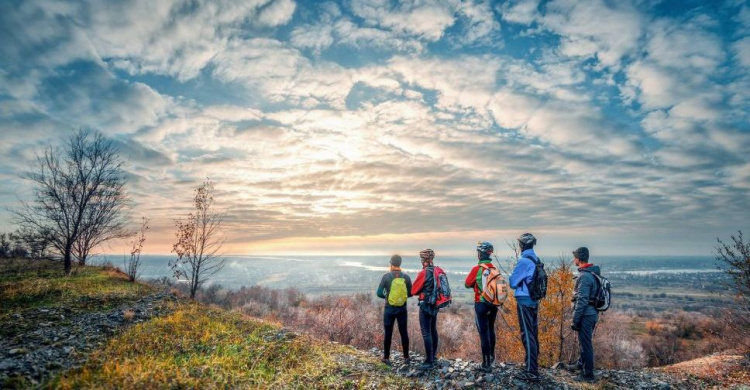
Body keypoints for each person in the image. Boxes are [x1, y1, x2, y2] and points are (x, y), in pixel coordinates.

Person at [509, 233, 541, 381]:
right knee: (533, 333)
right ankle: (532, 365)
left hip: (524, 300)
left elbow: (513, 282)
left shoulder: (524, 261)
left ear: (521, 245)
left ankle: (531, 370)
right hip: (534, 300)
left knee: (527, 335)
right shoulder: (536, 259)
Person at [465, 241, 498, 371]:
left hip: (481, 304)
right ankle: (492, 358)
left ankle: (485, 364)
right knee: (491, 330)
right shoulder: (494, 268)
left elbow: (467, 284)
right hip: (493, 304)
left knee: (483, 333)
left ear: (480, 254)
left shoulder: (477, 269)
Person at [376, 254, 413, 365]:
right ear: (400, 263)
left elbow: (378, 293)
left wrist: (388, 297)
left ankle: (386, 358)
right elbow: (410, 293)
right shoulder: (406, 277)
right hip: (402, 309)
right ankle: (406, 357)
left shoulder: (386, 277)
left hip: (389, 309)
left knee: (388, 333)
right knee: (404, 333)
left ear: (391, 263)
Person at [571, 247, 600, 383]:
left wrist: (575, 319)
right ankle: (580, 365)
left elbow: (582, 300)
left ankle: (588, 375)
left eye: (575, 257)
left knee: (586, 344)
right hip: (592, 313)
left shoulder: (585, 277)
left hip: (586, 315)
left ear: (579, 259)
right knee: (584, 342)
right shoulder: (591, 273)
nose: (573, 259)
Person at [411, 248, 439, 370]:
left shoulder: (424, 272)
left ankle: (429, 361)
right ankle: (433, 356)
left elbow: (413, 290)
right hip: (435, 304)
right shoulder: (437, 270)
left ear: (423, 260)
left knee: (426, 332)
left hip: (425, 304)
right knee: (433, 330)